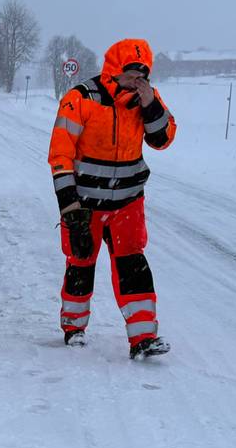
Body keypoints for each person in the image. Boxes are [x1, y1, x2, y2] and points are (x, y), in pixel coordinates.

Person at [48, 38, 177, 359]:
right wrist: (70, 205)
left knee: (133, 264)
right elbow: (60, 154)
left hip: (128, 203)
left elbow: (163, 139)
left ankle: (143, 337)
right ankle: (73, 327)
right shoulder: (81, 98)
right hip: (85, 204)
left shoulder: (147, 99)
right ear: (114, 72)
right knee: (81, 262)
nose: (137, 82)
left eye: (142, 76)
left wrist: (150, 105)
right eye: (131, 75)